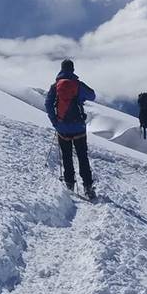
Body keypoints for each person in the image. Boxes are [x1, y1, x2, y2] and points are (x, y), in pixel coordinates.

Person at [45, 59, 97, 198]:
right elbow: (92, 95)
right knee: (82, 156)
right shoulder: (78, 85)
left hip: (63, 128)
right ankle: (88, 187)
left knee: (66, 156)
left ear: (61, 69)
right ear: (73, 69)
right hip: (79, 127)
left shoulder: (55, 86)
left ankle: (69, 184)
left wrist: (55, 122)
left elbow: (48, 104)